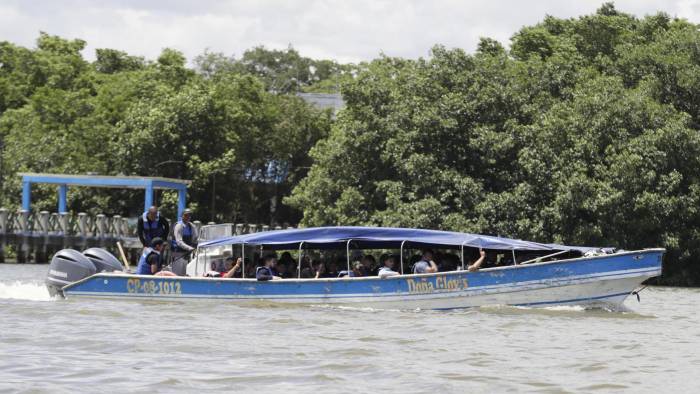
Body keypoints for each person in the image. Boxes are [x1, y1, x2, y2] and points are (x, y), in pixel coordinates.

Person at [170, 209, 198, 274]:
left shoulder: (192, 226)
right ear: (182, 216)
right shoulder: (179, 226)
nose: (188, 217)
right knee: (176, 275)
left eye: (189, 215)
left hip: (186, 254)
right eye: (185, 215)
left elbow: (195, 239)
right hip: (178, 254)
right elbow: (179, 242)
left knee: (184, 274)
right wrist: (190, 248)